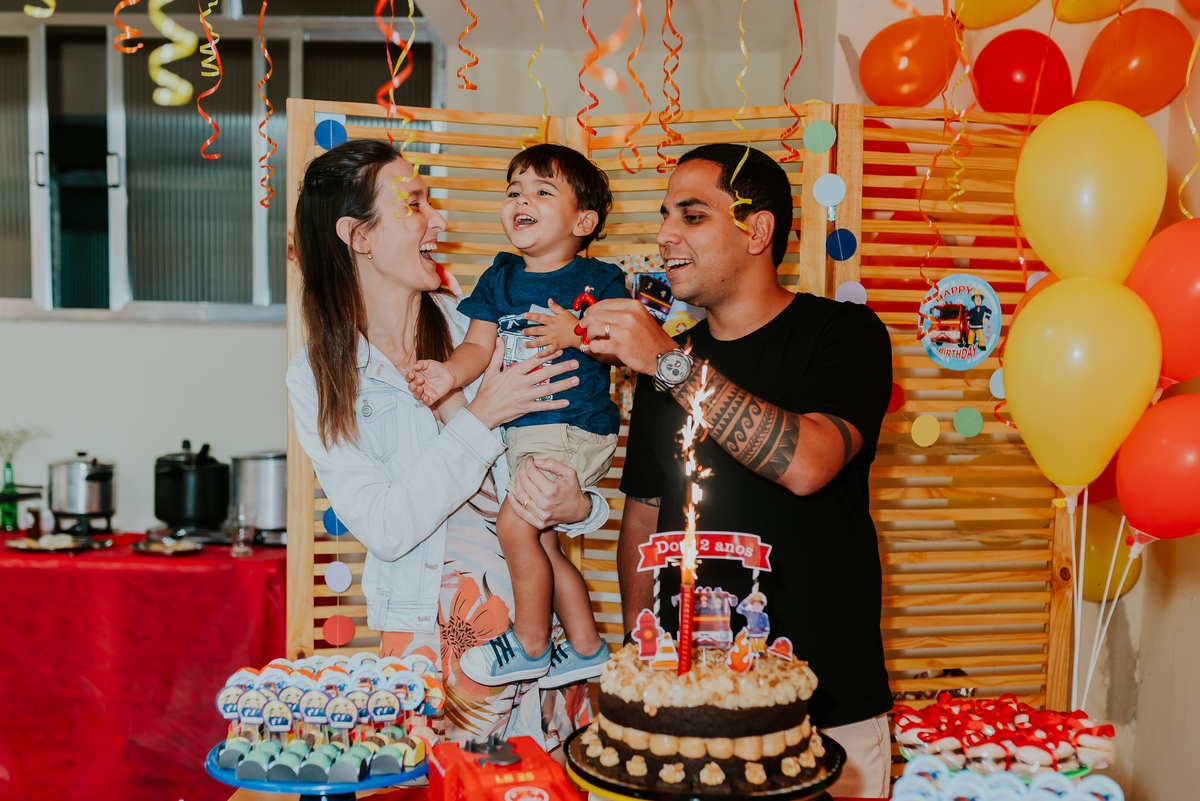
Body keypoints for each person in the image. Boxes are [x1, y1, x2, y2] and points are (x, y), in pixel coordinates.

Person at [578, 143, 895, 797]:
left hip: (827, 715)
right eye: (665, 215)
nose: (665, 234)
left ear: (757, 229)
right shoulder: (668, 359)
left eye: (691, 216)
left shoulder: (844, 333)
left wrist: (668, 363)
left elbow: (809, 462)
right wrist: (641, 665)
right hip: (682, 719)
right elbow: (643, 517)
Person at [285, 139, 609, 749]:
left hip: (535, 637)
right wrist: (480, 415)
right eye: (415, 204)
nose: (439, 221)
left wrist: (585, 508)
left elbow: (567, 449)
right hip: (428, 649)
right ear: (359, 236)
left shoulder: (481, 326)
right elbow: (385, 527)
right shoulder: (319, 378)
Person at [405, 144, 626, 689]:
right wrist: (447, 376)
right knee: (542, 541)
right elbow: (478, 348)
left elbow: (623, 343)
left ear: (583, 220)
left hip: (572, 425)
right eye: (513, 191)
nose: (521, 199)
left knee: (513, 525)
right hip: (526, 430)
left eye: (541, 192)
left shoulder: (601, 278)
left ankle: (529, 645)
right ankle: (586, 646)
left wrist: (575, 332)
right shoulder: (500, 275)